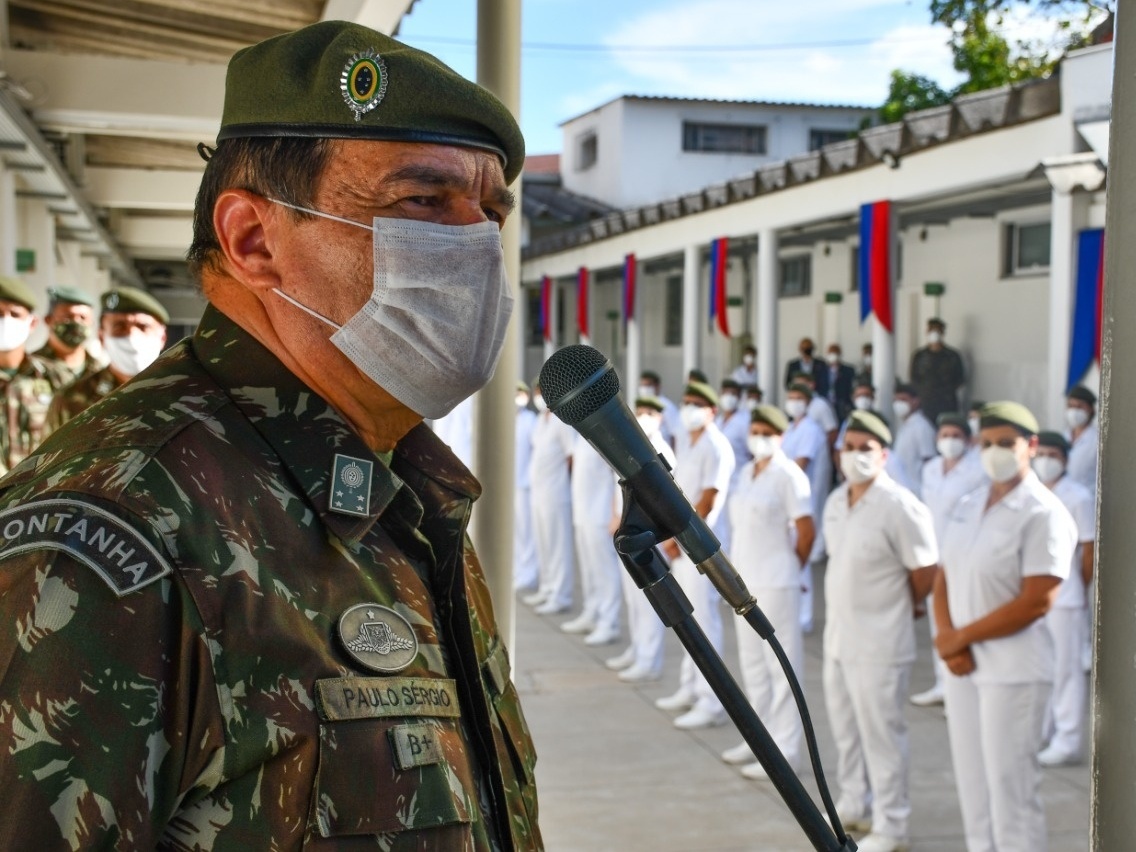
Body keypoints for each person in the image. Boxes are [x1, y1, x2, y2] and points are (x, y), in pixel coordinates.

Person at [0, 22, 541, 850]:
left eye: (491, 212)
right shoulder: (113, 531)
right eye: (422, 202)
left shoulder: (407, 492)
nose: (475, 243)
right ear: (254, 240)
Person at [934, 402, 1076, 852]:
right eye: (987, 443)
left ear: (1030, 446)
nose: (994, 451)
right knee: (974, 789)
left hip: (1014, 671)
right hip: (962, 666)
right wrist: (946, 639)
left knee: (1010, 794)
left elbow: (1037, 600)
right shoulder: (968, 503)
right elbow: (944, 575)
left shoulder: (1043, 512)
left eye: (1006, 443)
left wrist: (962, 637)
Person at [824, 411, 939, 852]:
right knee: (846, 732)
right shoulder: (838, 501)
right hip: (840, 638)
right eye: (849, 448)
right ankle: (854, 803)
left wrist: (907, 605)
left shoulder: (900, 506)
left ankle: (893, 824)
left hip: (881, 642)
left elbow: (925, 571)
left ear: (884, 455)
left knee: (882, 737)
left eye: (865, 449)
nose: (855, 456)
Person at [722, 404, 814, 780]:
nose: (759, 438)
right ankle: (759, 743)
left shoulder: (789, 476)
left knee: (782, 668)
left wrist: (794, 567)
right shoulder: (747, 471)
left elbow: (806, 530)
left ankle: (787, 751)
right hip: (744, 580)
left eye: (768, 433)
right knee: (753, 667)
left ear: (781, 436)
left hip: (777, 581)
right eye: (755, 430)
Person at [654, 381, 735, 730]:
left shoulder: (716, 445)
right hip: (683, 541)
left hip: (699, 544)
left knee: (705, 621)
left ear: (712, 410)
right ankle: (690, 687)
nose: (688, 408)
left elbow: (708, 499)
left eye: (696, 403)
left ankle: (710, 700)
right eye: (685, 402)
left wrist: (679, 538)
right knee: (689, 619)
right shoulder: (690, 441)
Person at [910, 413, 986, 707]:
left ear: (967, 440)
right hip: (934, 555)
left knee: (962, 618)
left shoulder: (977, 471)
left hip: (961, 554)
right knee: (937, 621)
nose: (949, 441)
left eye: (956, 435)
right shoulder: (930, 468)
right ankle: (943, 684)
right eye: (944, 435)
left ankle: (963, 689)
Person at [1032, 431, 1095, 767]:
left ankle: (1068, 739)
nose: (1045, 459)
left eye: (1052, 454)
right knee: (1044, 665)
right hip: (1038, 597)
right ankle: (1046, 729)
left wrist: (1079, 588)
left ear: (1066, 459)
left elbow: (1089, 550)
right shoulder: (1032, 492)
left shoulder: (1078, 496)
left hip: (1068, 598)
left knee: (1068, 670)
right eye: (1040, 452)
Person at [606, 395, 675, 683]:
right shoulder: (631, 445)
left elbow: (665, 497)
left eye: (650, 412)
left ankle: (649, 660)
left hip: (648, 535)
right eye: (640, 411)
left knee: (648, 601)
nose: (643, 416)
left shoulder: (660, 449)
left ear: (660, 417)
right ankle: (637, 650)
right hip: (629, 530)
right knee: (633, 598)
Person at [46, 286, 170, 433]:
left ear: (162, 337)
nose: (131, 336)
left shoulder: (184, 394)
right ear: (101, 337)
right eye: (120, 327)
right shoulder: (70, 400)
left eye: (143, 327)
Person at [0, 275, 70, 476]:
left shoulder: (55, 377)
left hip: (37, 498)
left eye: (14, 314)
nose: (6, 321)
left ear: (32, 324)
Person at [561, 431, 623, 646]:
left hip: (601, 514)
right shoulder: (580, 435)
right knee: (589, 568)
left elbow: (618, 475)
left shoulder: (603, 434)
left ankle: (609, 622)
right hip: (583, 512)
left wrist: (617, 514)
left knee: (605, 571)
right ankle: (592, 612)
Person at [780, 380, 831, 633]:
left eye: (799, 397)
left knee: (803, 557)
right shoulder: (790, 428)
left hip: (798, 496)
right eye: (791, 396)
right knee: (789, 554)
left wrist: (779, 482)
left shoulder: (810, 429)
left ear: (808, 402)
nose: (794, 401)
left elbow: (801, 462)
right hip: (785, 498)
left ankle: (805, 616)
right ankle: (794, 611)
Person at [526, 379, 576, 615]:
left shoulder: (561, 421)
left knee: (558, 545)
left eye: (542, 392)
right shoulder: (540, 420)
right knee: (543, 542)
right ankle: (547, 588)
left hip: (556, 493)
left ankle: (561, 594)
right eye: (536, 391)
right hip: (538, 491)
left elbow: (571, 457)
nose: (539, 396)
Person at [33, 285, 104, 383]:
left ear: (92, 323)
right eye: (68, 317)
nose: (76, 323)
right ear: (48, 320)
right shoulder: (32, 368)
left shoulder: (100, 370)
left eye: (83, 318)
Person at [909, 317, 966, 423]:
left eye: (938, 331)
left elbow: (960, 379)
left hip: (947, 404)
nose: (934, 334)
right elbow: (914, 379)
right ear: (927, 332)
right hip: (925, 404)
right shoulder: (920, 356)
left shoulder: (952, 356)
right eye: (931, 330)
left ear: (943, 333)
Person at [513, 381, 540, 593]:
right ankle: (517, 570)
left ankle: (529, 573)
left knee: (526, 532)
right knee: (514, 532)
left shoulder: (531, 420)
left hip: (526, 484)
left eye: (520, 393)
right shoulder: (508, 420)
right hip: (511, 484)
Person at [889, 383, 936, 498]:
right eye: (896, 400)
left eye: (903, 399)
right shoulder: (905, 426)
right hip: (902, 489)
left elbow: (929, 460)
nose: (899, 404)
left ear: (915, 401)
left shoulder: (922, 427)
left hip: (916, 491)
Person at [1063, 385, 1098, 493]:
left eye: (1079, 406)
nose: (1074, 411)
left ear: (1091, 409)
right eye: (1071, 406)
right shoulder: (1063, 436)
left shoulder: (1098, 440)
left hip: (1088, 501)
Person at [638, 369, 680, 445]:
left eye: (648, 385)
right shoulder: (641, 403)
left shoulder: (667, 406)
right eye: (643, 385)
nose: (645, 388)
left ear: (657, 386)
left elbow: (674, 434)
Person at [823, 343, 856, 423]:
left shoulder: (848, 370)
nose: (833, 356)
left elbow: (850, 388)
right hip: (826, 404)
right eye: (831, 353)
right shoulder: (822, 370)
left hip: (842, 405)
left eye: (836, 353)